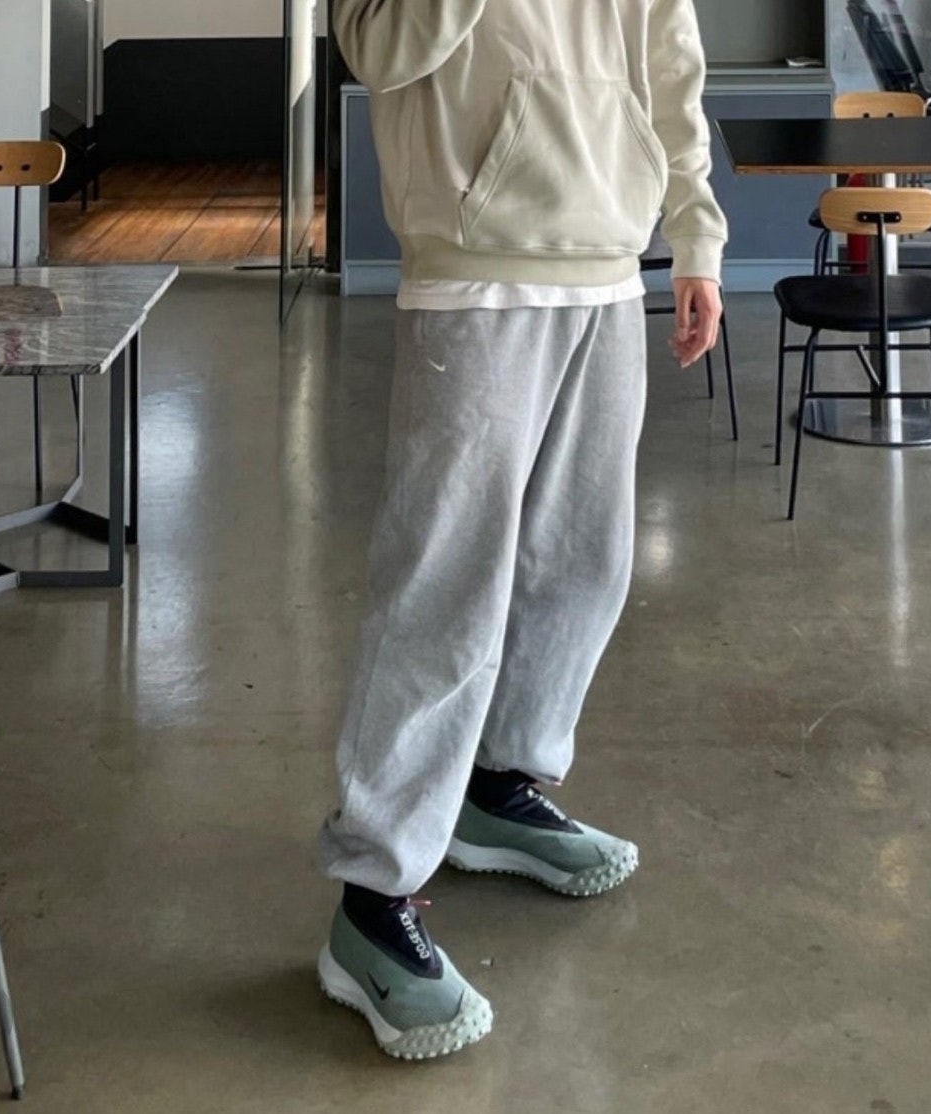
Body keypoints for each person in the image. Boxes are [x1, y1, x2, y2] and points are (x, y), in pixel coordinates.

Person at [318, 0, 727, 1060]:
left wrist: (694, 234)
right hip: (473, 266)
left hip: (610, 263)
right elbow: (377, 49)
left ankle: (498, 787)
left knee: (581, 564)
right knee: (443, 586)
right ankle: (372, 898)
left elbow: (668, 64)